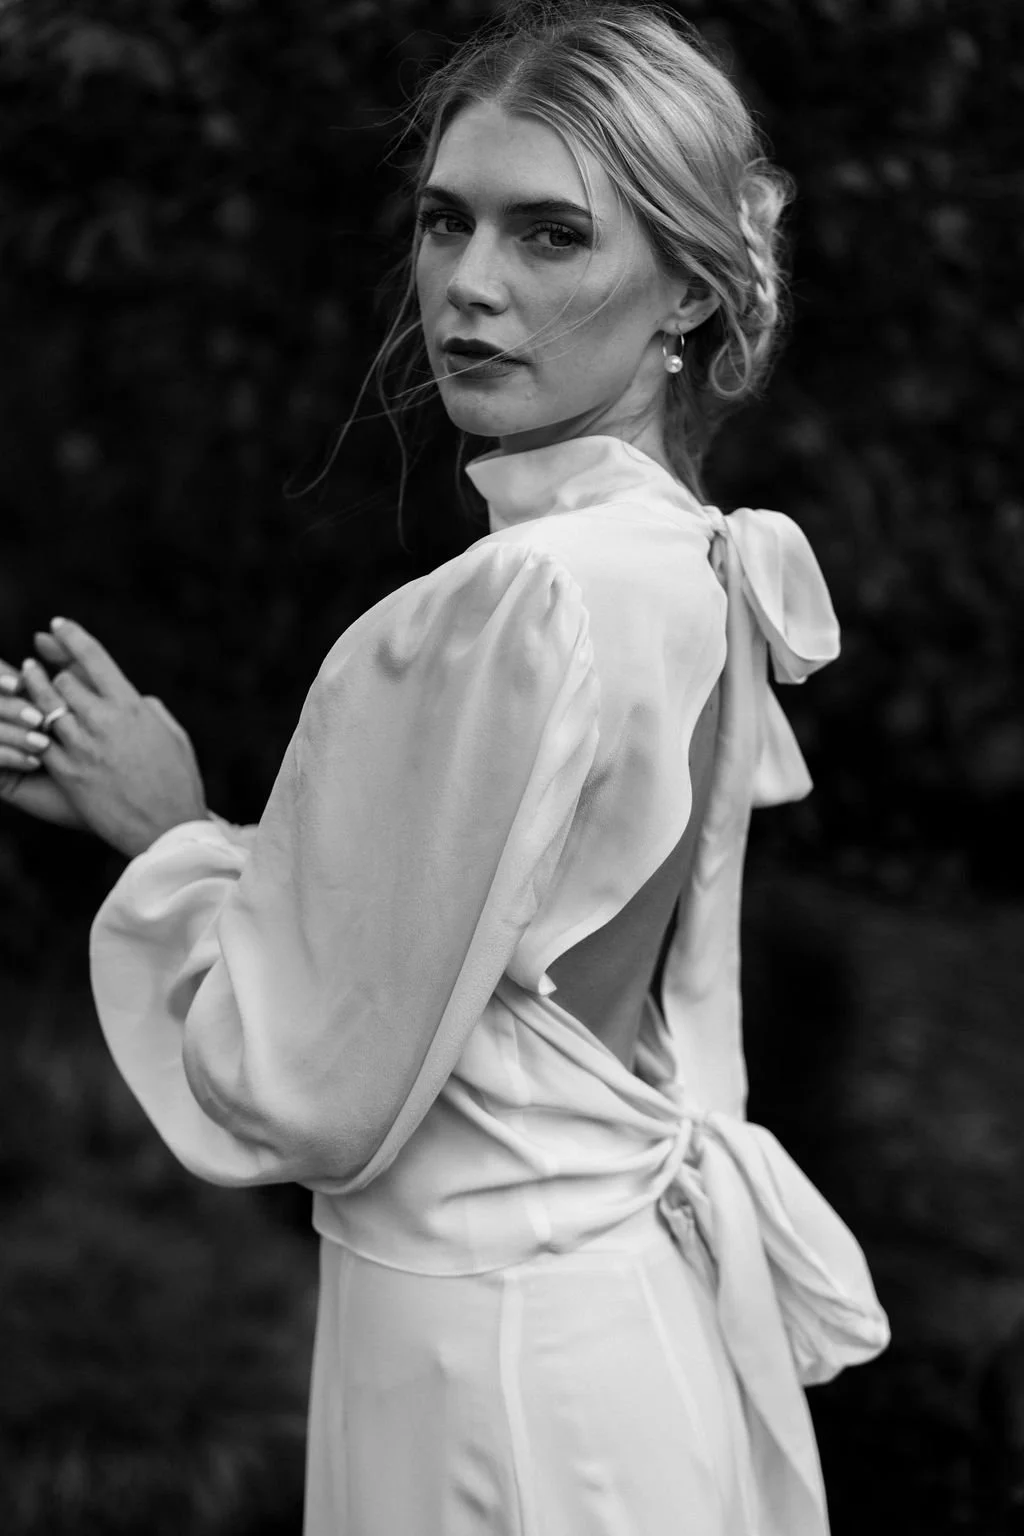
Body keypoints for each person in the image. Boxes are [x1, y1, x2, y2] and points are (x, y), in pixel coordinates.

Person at [0, 4, 890, 1532]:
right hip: (608, 1329)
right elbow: (509, 998)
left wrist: (167, 829)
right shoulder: (701, 566)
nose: (471, 285)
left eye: (552, 235)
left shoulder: (516, 603)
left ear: (689, 286)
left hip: (497, 1376)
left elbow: (307, 1087)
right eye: (445, 222)